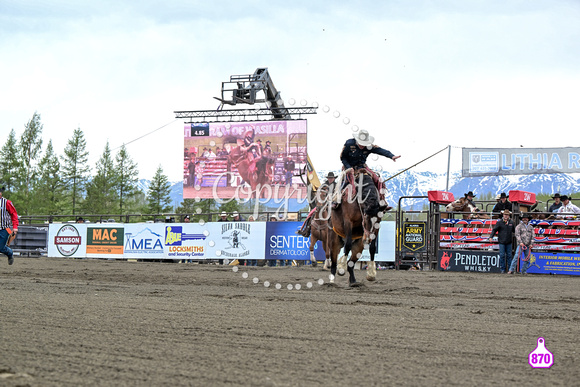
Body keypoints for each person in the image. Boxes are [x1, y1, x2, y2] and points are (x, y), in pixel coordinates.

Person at [0, 186, 19, 266]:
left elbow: (14, 214)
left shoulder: (6, 202)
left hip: (5, 228)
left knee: (0, 247)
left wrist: (15, 226)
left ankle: (9, 253)